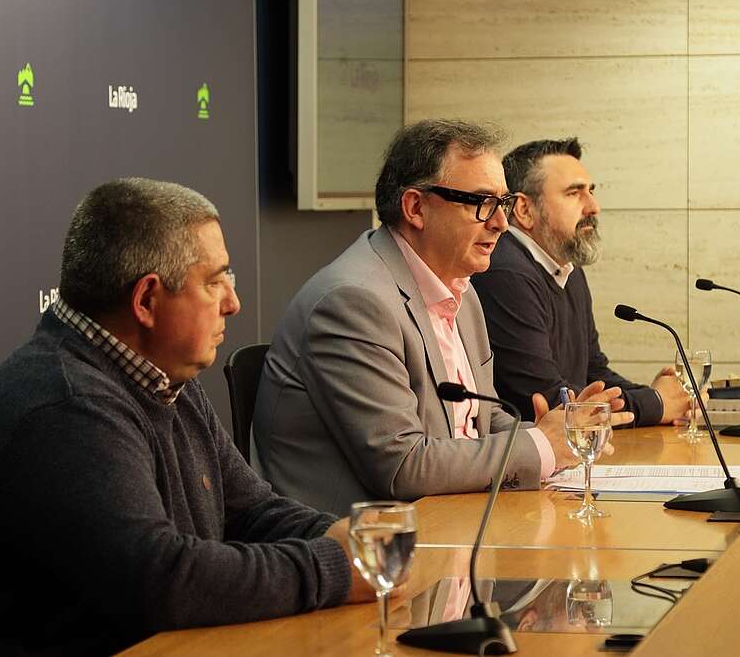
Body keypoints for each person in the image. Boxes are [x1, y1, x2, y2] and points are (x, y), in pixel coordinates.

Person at [0, 178, 371, 655]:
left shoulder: (162, 376)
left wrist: (354, 540)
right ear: (147, 301)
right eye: (214, 281)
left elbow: (252, 512)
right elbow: (161, 582)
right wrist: (333, 567)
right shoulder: (66, 404)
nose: (233, 303)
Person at [252, 120, 632, 515]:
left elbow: (475, 420)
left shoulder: (459, 288)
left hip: (446, 523)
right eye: (482, 203)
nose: (501, 223)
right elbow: (403, 467)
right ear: (416, 208)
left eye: (502, 204)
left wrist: (556, 433)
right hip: (362, 550)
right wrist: (540, 445)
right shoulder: (354, 302)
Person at [472, 138, 689, 425]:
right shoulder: (506, 272)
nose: (594, 207)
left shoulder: (568, 270)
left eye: (591, 192)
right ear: (524, 210)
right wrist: (656, 403)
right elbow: (549, 399)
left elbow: (593, 372)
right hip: (523, 461)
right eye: (574, 193)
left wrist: (670, 398)